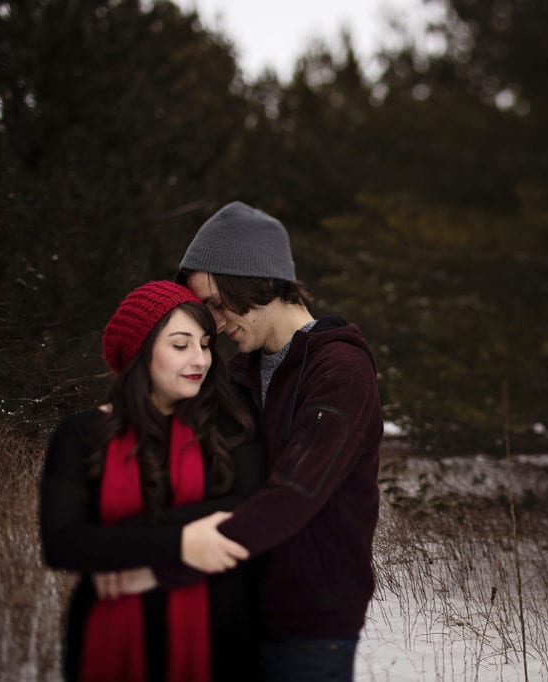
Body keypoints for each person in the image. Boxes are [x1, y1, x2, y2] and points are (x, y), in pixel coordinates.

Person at [175, 201, 384, 681]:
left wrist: (194, 549)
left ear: (252, 280)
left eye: (214, 303)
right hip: (243, 608)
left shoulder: (340, 371)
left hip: (312, 618)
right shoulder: (238, 372)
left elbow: (299, 488)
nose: (213, 321)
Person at [38, 280, 264, 682]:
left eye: (206, 344)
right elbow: (63, 543)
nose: (200, 359)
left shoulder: (228, 428)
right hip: (108, 634)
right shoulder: (83, 434)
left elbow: (250, 509)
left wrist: (123, 544)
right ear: (141, 352)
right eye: (180, 345)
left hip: (218, 639)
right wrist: (184, 543)